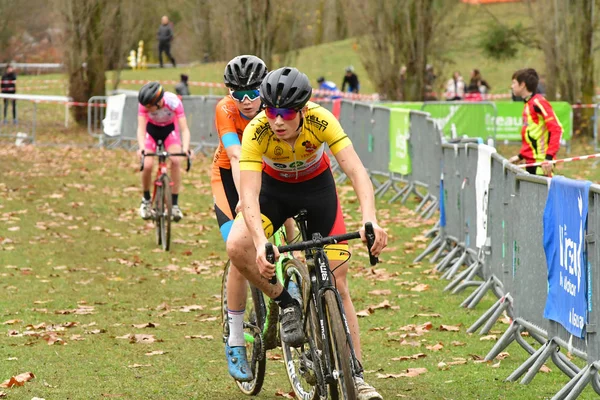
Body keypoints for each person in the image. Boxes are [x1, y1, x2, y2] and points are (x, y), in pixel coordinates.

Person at [226, 66, 387, 399]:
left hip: (317, 191)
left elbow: (355, 169)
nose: (278, 120)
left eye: (286, 113)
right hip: (273, 193)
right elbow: (250, 193)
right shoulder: (257, 131)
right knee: (236, 244)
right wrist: (260, 243)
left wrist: (370, 218)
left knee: (338, 282)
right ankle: (285, 302)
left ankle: (356, 375)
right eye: (271, 111)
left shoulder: (322, 120)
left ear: (302, 111)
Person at [216, 55, 296, 381]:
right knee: (239, 252)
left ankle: (295, 277)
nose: (247, 101)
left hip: (266, 173)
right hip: (229, 178)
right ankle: (235, 340)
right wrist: (241, 204)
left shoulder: (274, 106)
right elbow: (236, 156)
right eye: (239, 94)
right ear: (229, 93)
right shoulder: (225, 110)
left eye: (253, 92)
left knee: (290, 225)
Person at [136, 82, 191, 221]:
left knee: (176, 160)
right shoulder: (143, 105)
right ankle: (146, 200)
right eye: (146, 107)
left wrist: (185, 149)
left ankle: (175, 205)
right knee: (147, 164)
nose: (147, 109)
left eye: (150, 106)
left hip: (169, 131)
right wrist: (142, 147)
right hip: (151, 131)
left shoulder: (174, 102)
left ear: (159, 101)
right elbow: (141, 129)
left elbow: (184, 129)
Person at [508, 68, 562, 177]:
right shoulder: (528, 104)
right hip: (530, 162)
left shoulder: (538, 102)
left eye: (514, 82)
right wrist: (521, 156)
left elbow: (556, 129)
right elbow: (533, 135)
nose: (511, 86)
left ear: (522, 85)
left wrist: (549, 157)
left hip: (541, 165)